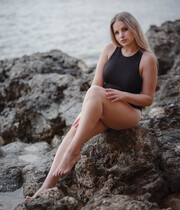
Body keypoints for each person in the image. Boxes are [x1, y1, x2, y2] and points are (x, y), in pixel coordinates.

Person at [26, 11, 157, 200]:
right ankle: (45, 188)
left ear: (134, 28)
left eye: (125, 29)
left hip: (128, 113)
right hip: (104, 107)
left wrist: (123, 95)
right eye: (117, 32)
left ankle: (73, 152)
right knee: (74, 130)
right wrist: (84, 111)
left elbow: (148, 99)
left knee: (92, 99)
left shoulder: (147, 58)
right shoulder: (109, 50)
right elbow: (96, 84)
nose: (122, 35)